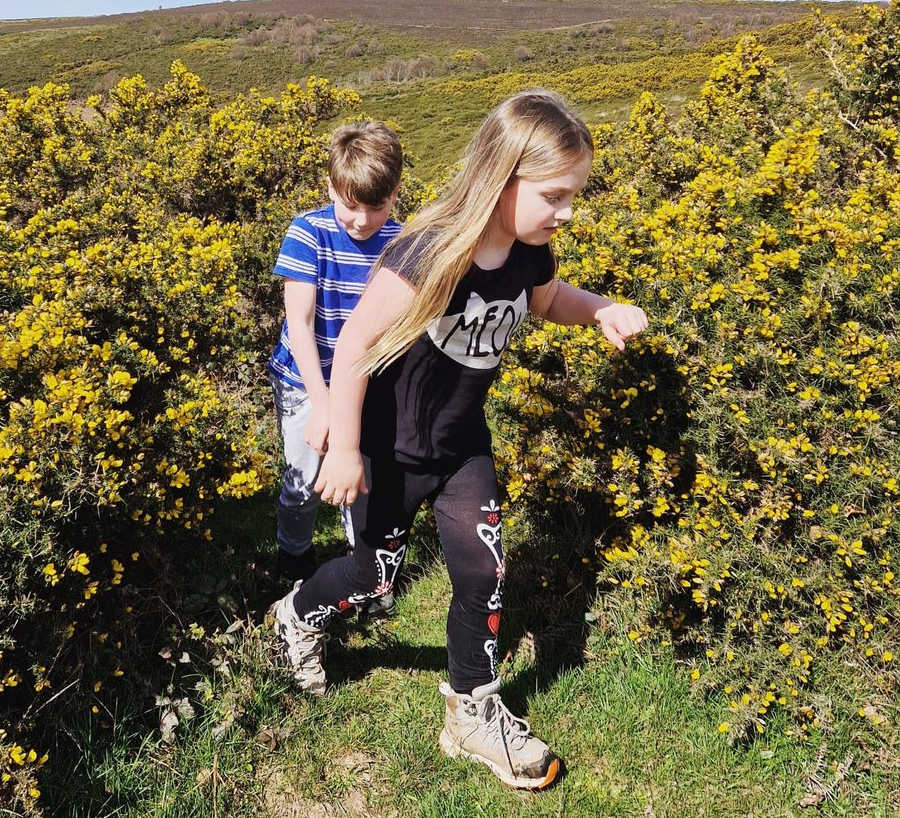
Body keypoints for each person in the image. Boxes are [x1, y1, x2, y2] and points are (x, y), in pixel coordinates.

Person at [267, 90, 647, 791]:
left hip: (463, 446)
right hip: (391, 448)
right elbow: (350, 349)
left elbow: (550, 301)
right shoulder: (430, 249)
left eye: (574, 195)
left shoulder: (531, 255)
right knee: (374, 577)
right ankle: (294, 614)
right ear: (503, 178)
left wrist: (598, 310)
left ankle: (471, 713)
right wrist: (346, 450)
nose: (567, 211)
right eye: (556, 195)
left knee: (484, 573)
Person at [267, 121, 404, 589]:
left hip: (365, 380)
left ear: (396, 192)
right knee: (304, 478)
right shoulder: (309, 233)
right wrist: (323, 405)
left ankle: (363, 570)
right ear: (330, 186)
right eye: (350, 205)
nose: (363, 221)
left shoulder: (402, 243)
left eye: (377, 206)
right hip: (304, 379)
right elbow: (301, 326)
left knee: (360, 479)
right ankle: (294, 557)